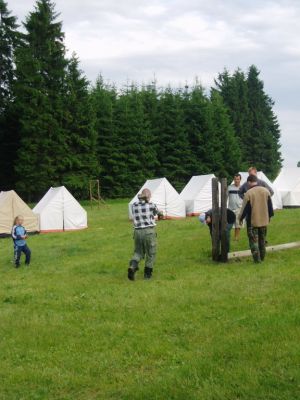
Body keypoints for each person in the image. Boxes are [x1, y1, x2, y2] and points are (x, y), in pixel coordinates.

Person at [128, 188, 163, 281]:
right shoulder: (151, 205)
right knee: (151, 253)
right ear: (149, 196)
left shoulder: (134, 205)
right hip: (149, 232)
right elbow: (159, 214)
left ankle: (132, 266)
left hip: (137, 232)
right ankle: (147, 275)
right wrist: (161, 214)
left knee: (138, 252)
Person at [239, 175, 274, 263]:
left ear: (249, 182)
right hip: (264, 221)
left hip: (252, 222)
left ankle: (257, 261)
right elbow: (270, 207)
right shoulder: (266, 191)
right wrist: (269, 217)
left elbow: (244, 209)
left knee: (253, 241)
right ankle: (262, 258)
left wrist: (240, 218)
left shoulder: (249, 193)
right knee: (262, 240)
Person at [227, 173, 243, 241]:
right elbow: (225, 196)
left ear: (240, 180)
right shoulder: (229, 187)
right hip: (230, 208)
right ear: (233, 179)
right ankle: (227, 236)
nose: (236, 180)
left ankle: (236, 238)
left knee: (238, 224)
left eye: (238, 179)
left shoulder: (242, 188)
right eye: (235, 179)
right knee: (229, 224)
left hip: (239, 208)